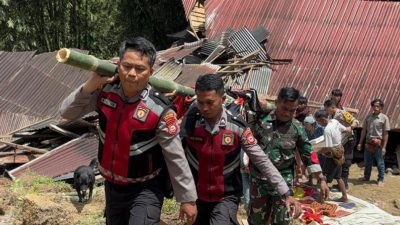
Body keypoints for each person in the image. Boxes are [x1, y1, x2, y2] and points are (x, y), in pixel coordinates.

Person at [60, 37, 197, 225]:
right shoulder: (105, 92)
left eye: (140, 69)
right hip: (113, 187)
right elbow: (66, 113)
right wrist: (90, 84)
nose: (132, 73)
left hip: (146, 188)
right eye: (127, 66)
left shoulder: (160, 109)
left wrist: (187, 198)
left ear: (151, 71)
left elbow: (175, 156)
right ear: (118, 66)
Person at [180, 74, 301, 225]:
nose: (204, 108)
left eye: (210, 102)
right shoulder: (190, 124)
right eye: (200, 102)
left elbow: (262, 160)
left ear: (223, 100)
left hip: (226, 197)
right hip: (195, 196)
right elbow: (176, 158)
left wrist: (286, 192)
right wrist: (185, 196)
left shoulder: (237, 127)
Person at [249, 87, 329, 225]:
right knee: (257, 220)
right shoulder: (259, 120)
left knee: (282, 220)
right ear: (277, 102)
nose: (287, 114)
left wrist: (321, 179)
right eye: (284, 108)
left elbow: (308, 153)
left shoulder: (297, 127)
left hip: (284, 180)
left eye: (292, 110)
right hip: (259, 180)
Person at [314, 110, 351, 202]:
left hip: (333, 155)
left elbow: (328, 148)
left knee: (324, 177)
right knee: (338, 177)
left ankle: (321, 198)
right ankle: (344, 196)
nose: (318, 123)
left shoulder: (327, 130)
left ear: (322, 119)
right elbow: (345, 129)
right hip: (340, 150)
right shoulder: (335, 121)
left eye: (318, 121)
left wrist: (317, 152)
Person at [324, 99, 359, 189]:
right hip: (340, 141)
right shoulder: (331, 115)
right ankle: (340, 183)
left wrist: (350, 127)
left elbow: (355, 121)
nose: (326, 111)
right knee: (338, 160)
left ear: (332, 107)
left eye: (326, 109)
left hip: (348, 139)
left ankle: (344, 184)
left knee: (346, 161)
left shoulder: (342, 113)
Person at [357, 99, 390, 187]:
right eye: (374, 106)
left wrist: (384, 147)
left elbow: (386, 133)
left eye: (377, 106)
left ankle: (380, 179)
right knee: (367, 162)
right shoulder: (368, 117)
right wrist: (360, 142)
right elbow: (364, 130)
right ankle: (366, 177)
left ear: (381, 107)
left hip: (379, 144)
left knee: (380, 163)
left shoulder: (384, 118)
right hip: (368, 142)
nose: (375, 108)